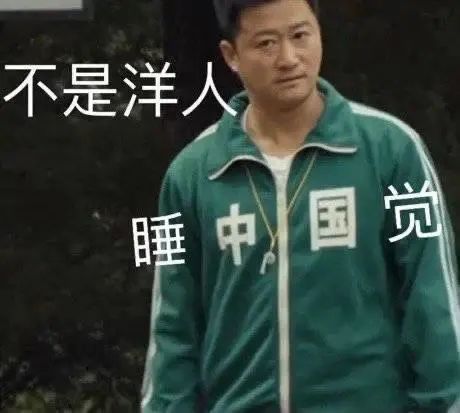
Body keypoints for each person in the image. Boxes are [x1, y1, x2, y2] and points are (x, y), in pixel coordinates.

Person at [141, 0, 460, 411]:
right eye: (266, 43)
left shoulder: (392, 151)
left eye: (299, 35)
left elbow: (433, 300)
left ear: (319, 34)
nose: (288, 58)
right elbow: (172, 329)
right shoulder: (191, 175)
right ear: (231, 56)